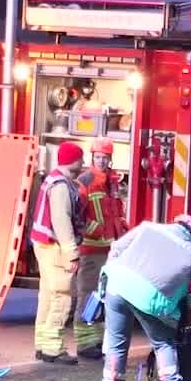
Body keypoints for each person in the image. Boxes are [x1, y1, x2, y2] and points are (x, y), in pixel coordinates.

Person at [99, 214, 191, 381]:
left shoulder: (148, 228)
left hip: (117, 286)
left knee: (117, 340)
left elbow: (117, 247)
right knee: (163, 343)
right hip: (151, 299)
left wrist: (114, 272)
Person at [30, 141, 86, 364]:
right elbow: (61, 221)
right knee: (61, 297)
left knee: (47, 296)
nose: (83, 164)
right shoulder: (62, 186)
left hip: (44, 245)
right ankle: (53, 348)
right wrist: (72, 252)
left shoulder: (52, 179)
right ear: (73, 161)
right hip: (55, 247)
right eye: (80, 159)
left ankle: (42, 344)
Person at [74, 137, 128, 359]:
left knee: (102, 297)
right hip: (91, 250)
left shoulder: (111, 183)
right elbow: (77, 216)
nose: (102, 161)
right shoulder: (84, 182)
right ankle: (85, 344)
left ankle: (95, 341)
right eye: (98, 157)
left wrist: (123, 230)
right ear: (92, 157)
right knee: (88, 295)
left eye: (105, 158)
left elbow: (114, 213)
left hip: (108, 250)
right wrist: (96, 229)